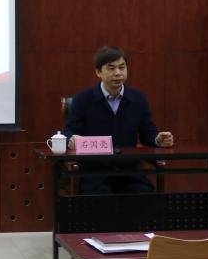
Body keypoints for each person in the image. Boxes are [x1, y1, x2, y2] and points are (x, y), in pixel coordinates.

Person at [63, 45, 173, 193]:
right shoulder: (83, 100)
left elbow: (147, 133)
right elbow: (69, 131)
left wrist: (158, 140)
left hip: (129, 172)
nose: (118, 73)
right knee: (101, 195)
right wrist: (71, 139)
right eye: (111, 68)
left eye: (122, 67)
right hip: (95, 173)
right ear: (98, 72)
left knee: (144, 193)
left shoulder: (138, 99)